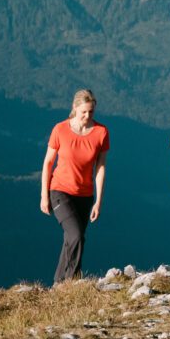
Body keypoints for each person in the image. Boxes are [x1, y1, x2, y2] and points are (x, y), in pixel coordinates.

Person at [40, 88, 109, 284]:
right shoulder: (60, 130)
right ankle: (71, 283)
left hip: (85, 196)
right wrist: (44, 196)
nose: (87, 116)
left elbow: (101, 168)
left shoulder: (101, 132)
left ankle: (59, 284)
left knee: (72, 240)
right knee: (76, 236)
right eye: (84, 112)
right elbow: (47, 163)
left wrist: (98, 201)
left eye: (91, 112)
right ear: (74, 108)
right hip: (60, 191)